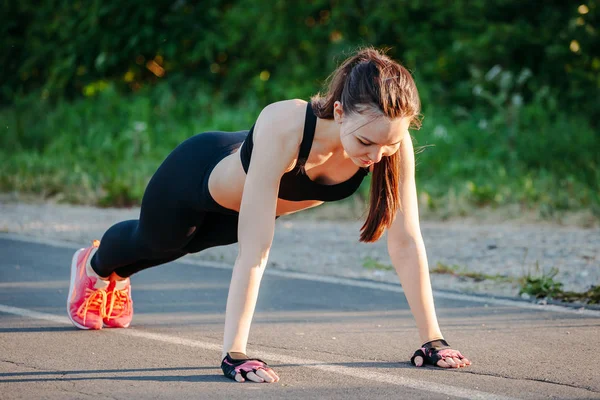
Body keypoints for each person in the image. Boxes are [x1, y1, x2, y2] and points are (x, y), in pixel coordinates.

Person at [66, 47, 471, 383]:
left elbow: (405, 242)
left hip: (239, 209)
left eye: (390, 143)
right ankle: (96, 265)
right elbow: (255, 252)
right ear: (341, 111)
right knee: (155, 242)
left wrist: (433, 340)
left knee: (181, 248)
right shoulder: (285, 124)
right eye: (367, 141)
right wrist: (234, 354)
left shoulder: (389, 145)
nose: (376, 155)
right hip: (192, 180)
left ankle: (117, 275)